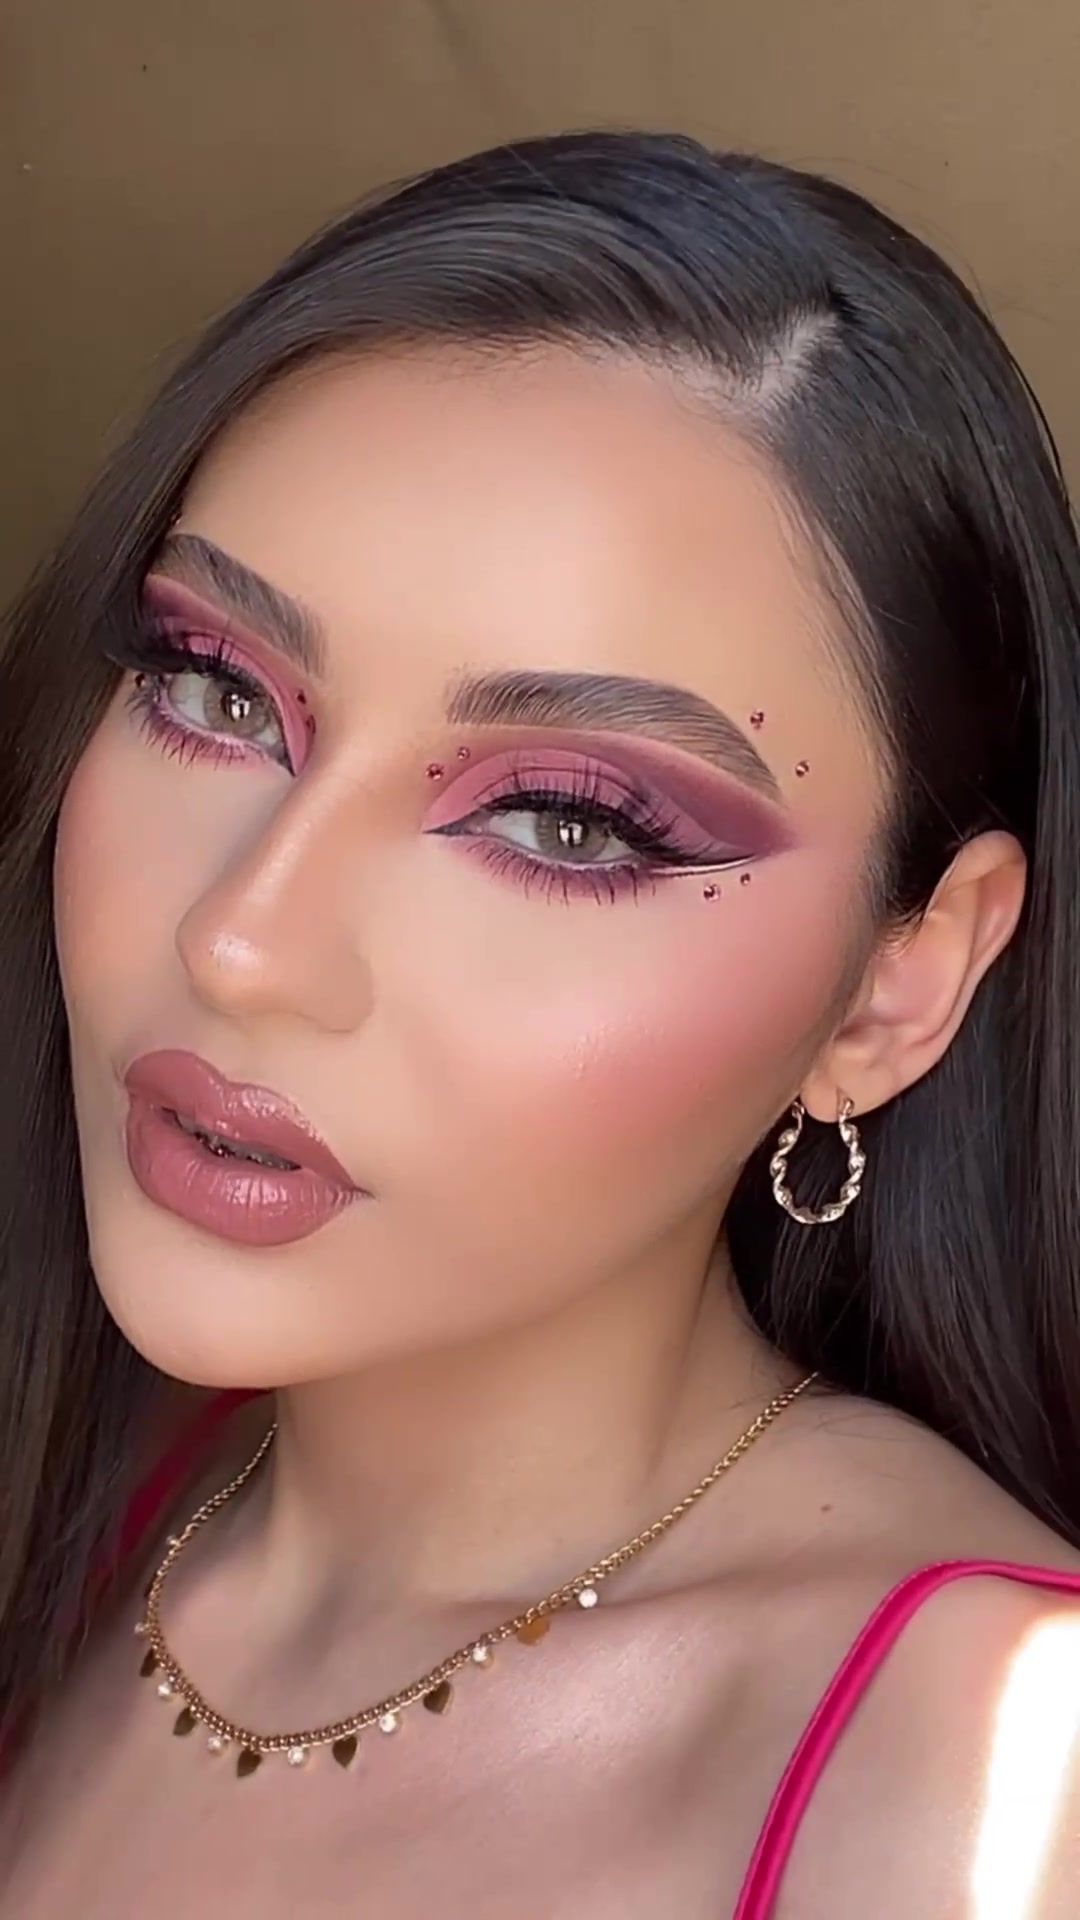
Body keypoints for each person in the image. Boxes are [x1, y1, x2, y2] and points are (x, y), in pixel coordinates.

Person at [1, 128, 1079, 1918]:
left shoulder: (1004, 1791)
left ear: (901, 983)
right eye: (215, 692)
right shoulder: (75, 1506)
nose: (244, 941)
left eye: (570, 825)